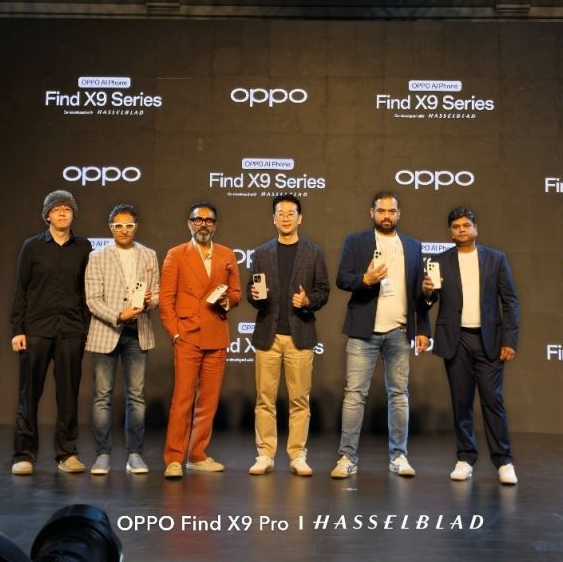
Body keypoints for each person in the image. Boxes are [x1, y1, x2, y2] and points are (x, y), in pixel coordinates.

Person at [331, 191, 430, 479]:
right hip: (363, 331)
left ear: (399, 214)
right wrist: (365, 279)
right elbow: (342, 279)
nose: (386, 215)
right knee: (354, 396)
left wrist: (423, 328)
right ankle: (347, 458)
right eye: (381, 210)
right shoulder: (356, 241)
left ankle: (399, 456)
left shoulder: (413, 246)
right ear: (371, 212)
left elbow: (419, 294)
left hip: (399, 331)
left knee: (399, 395)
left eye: (391, 211)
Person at [421, 206, 520, 485]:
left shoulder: (496, 259)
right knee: (461, 401)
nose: (461, 230)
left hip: (490, 340)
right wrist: (427, 292)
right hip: (456, 340)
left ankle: (504, 461)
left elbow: (510, 302)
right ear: (450, 232)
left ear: (476, 228)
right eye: (456, 227)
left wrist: (509, 340)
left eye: (466, 225)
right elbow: (428, 301)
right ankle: (465, 458)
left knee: (492, 400)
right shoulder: (439, 260)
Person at [247, 194, 330, 477]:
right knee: (264, 399)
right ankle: (264, 454)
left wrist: (308, 301)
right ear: (273, 218)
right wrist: (255, 295)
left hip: (300, 335)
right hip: (267, 335)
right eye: (280, 213)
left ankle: (297, 455)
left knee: (299, 400)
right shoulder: (261, 253)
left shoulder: (314, 252)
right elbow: (251, 292)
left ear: (300, 218)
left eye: (290, 213)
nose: (285, 218)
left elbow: (323, 290)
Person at [10, 190, 92, 475]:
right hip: (36, 330)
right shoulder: (32, 247)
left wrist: (85, 329)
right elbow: (21, 290)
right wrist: (17, 329)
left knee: (68, 395)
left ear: (73, 214)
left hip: (71, 330)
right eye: (56, 209)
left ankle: (67, 454)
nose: (62, 213)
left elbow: (86, 290)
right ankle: (23, 455)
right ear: (47, 215)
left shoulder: (83, 246)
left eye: (67, 208)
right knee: (29, 394)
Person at [160, 201, 241, 479]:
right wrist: (175, 332)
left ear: (215, 225)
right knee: (182, 399)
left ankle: (197, 455)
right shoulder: (176, 254)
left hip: (216, 333)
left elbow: (236, 293)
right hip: (188, 335)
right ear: (189, 224)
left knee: (208, 401)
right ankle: (174, 458)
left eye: (208, 220)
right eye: (198, 220)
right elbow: (166, 299)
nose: (203, 224)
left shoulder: (227, 254)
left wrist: (227, 301)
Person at [84, 203, 159, 475]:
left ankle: (134, 455)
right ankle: (102, 455)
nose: (124, 230)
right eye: (118, 226)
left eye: (129, 225)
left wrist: (149, 301)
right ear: (110, 228)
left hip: (138, 332)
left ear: (136, 227)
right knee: (102, 396)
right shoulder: (97, 256)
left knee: (136, 396)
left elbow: (157, 294)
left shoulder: (149, 255)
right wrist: (119, 315)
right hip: (107, 331)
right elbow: (92, 299)